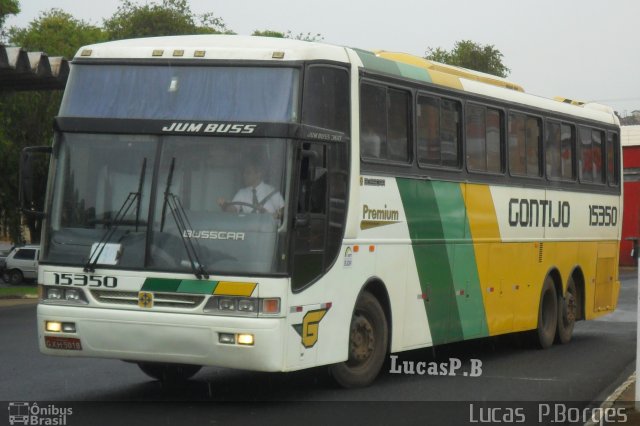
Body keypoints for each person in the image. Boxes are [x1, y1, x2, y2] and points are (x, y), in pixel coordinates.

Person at [217, 158, 285, 216]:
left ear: (258, 174)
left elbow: (283, 213)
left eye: (248, 173)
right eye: (244, 173)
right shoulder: (242, 193)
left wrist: (267, 214)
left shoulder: (272, 191)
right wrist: (224, 205)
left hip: (269, 230)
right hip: (248, 230)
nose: (244, 175)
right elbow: (233, 211)